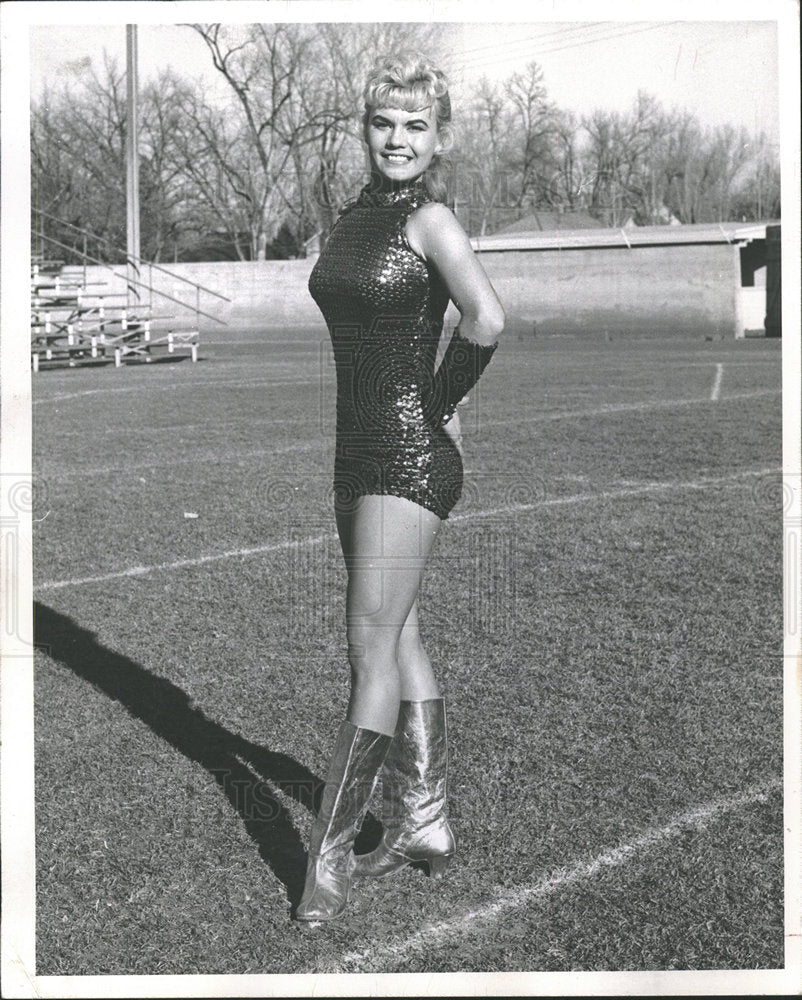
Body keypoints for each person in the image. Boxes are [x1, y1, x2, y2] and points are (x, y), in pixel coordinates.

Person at [296, 52, 505, 925]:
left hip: (409, 455)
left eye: (415, 126)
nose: (397, 138)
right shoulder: (350, 219)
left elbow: (487, 318)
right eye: (384, 122)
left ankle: (328, 857)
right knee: (401, 633)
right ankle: (423, 820)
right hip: (356, 452)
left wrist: (443, 398)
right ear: (365, 127)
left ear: (438, 137)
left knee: (368, 648)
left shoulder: (432, 219)